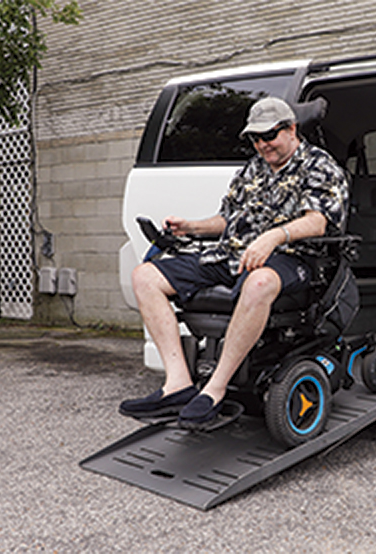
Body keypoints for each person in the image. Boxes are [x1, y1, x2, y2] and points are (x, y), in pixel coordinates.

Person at [120, 97, 348, 429]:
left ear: (291, 129)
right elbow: (228, 219)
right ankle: (179, 385)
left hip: (293, 257)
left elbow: (318, 222)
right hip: (232, 255)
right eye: (255, 138)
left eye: (268, 136)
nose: (262, 145)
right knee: (144, 277)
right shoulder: (252, 168)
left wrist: (272, 237)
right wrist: (192, 226)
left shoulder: (320, 165)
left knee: (259, 283)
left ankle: (214, 389)